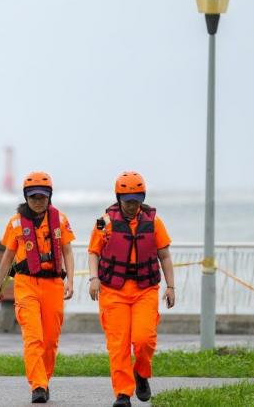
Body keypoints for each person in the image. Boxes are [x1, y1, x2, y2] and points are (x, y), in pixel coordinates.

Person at [87, 171, 176, 407]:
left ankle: (141, 373)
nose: (131, 205)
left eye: (136, 200)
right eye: (127, 201)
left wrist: (171, 286)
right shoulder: (104, 222)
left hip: (145, 290)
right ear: (118, 199)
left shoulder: (154, 222)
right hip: (113, 291)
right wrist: (93, 278)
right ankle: (123, 394)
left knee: (144, 339)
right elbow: (94, 253)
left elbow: (164, 256)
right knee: (119, 344)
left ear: (142, 198)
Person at [0, 171, 76, 404]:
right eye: (33, 197)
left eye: (42, 197)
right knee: (33, 338)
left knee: (50, 341)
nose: (38, 201)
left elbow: (68, 252)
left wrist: (70, 280)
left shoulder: (60, 220)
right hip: (26, 284)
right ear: (26, 197)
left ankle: (45, 380)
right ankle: (38, 386)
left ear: (49, 196)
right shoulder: (15, 223)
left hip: (53, 285)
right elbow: (8, 255)